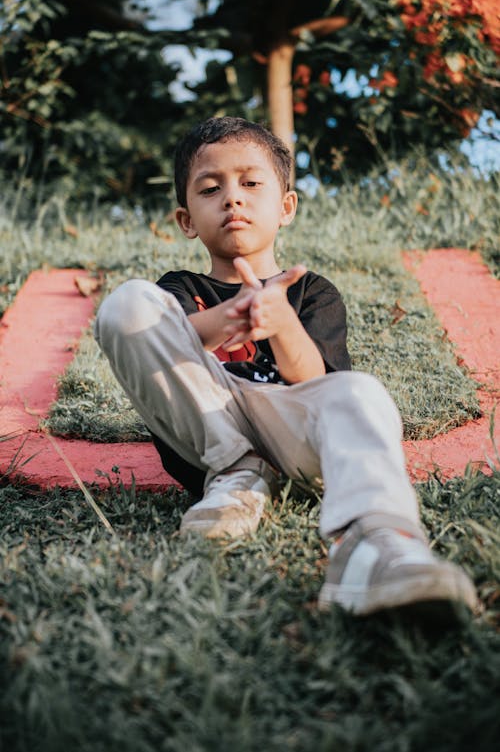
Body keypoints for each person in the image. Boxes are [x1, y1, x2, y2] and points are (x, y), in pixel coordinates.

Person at [94, 116, 477, 617]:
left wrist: (280, 321)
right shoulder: (180, 288)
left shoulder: (311, 291)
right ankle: (237, 471)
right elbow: (170, 343)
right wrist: (228, 317)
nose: (233, 198)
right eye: (211, 188)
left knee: (359, 393)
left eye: (251, 183)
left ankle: (376, 544)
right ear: (186, 220)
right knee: (127, 305)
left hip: (293, 434)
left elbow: (314, 380)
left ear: (286, 207)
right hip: (210, 432)